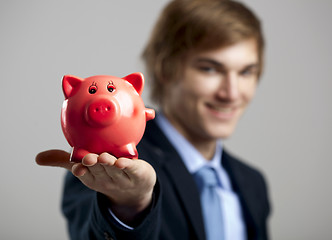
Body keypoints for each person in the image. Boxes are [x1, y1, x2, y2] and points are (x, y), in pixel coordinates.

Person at [36, 0, 271, 239]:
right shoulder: (107, 166)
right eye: (210, 69)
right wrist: (129, 207)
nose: (231, 93)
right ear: (165, 68)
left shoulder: (253, 183)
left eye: (246, 72)